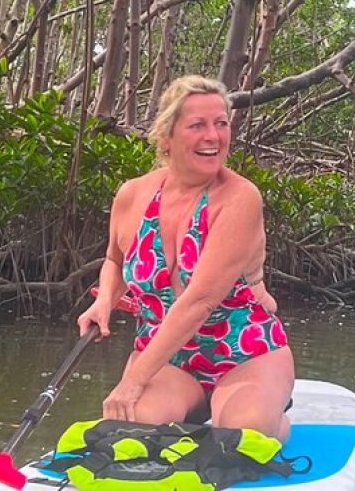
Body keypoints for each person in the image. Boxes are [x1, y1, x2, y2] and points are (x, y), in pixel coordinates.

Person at [78, 75, 294, 441]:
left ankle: (273, 416)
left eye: (221, 124)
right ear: (167, 137)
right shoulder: (133, 195)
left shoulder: (240, 198)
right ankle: (191, 414)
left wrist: (132, 381)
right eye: (198, 125)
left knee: (245, 433)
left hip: (245, 352)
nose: (213, 136)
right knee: (131, 428)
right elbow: (114, 259)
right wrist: (104, 300)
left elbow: (201, 300)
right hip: (168, 360)